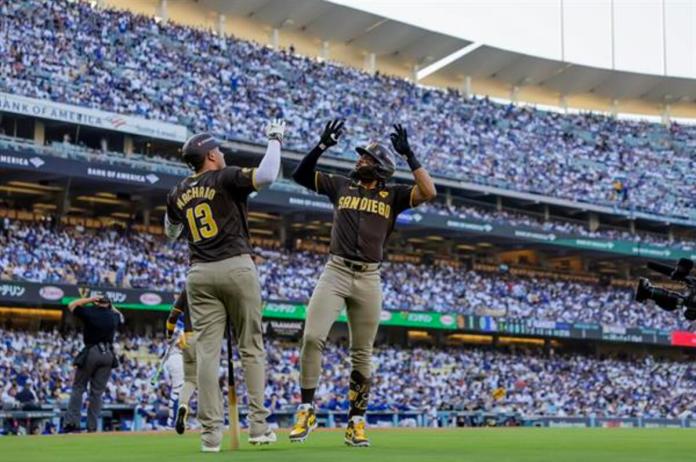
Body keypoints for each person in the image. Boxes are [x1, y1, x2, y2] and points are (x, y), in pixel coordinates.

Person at [289, 121, 437, 446]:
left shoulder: (393, 195)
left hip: (369, 276)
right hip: (336, 270)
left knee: (362, 353)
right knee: (313, 336)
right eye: (361, 157)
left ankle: (356, 421)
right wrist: (321, 145)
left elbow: (429, 191)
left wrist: (410, 154)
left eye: (366, 158)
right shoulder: (341, 185)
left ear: (381, 167)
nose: (360, 161)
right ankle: (306, 409)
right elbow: (299, 175)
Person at [164, 120, 285, 451]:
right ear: (212, 155)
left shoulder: (177, 191)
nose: (222, 155)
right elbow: (268, 175)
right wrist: (275, 139)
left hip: (199, 273)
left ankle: (210, 437)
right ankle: (258, 426)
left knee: (206, 355)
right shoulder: (225, 176)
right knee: (251, 347)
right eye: (219, 151)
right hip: (235, 266)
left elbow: (171, 233)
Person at [63, 295, 124, 433]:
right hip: (108, 354)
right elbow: (121, 315)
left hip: (92, 352)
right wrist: (110, 305)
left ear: (96, 303)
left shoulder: (90, 312)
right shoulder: (113, 316)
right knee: (97, 393)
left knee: (79, 387)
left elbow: (71, 304)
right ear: (108, 304)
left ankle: (73, 424)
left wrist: (90, 299)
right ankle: (92, 427)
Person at [164, 289, 197, 435]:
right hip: (177, 355)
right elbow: (175, 341)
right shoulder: (181, 319)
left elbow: (171, 332)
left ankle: (176, 418)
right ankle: (172, 421)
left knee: (184, 385)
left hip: (181, 353)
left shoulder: (180, 316)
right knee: (180, 387)